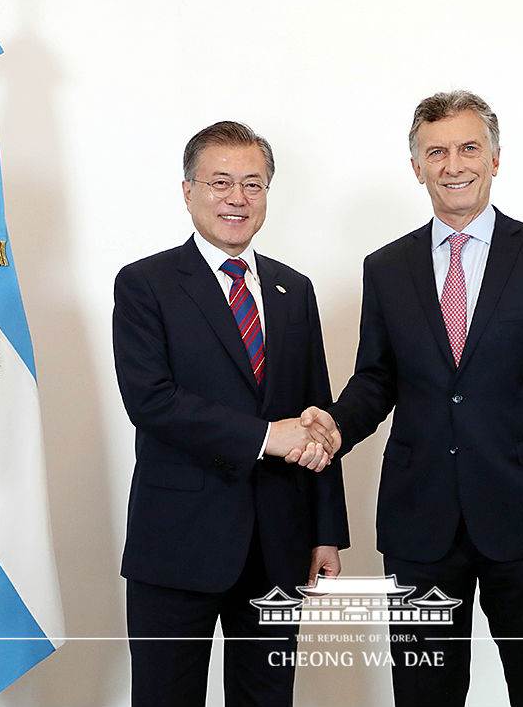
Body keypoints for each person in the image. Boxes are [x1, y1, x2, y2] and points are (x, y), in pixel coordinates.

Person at [302, 91, 523, 707]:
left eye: (468, 148)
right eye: (436, 151)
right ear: (417, 166)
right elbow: (376, 379)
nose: (453, 163)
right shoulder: (386, 267)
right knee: (423, 694)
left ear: (494, 159)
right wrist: (332, 426)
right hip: (419, 521)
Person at [113, 120, 348, 707]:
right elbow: (152, 402)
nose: (237, 199)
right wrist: (266, 435)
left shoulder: (296, 290)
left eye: (253, 184)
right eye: (220, 182)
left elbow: (317, 416)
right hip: (177, 543)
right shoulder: (146, 284)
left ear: (268, 193)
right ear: (187, 190)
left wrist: (326, 532)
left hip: (278, 543)